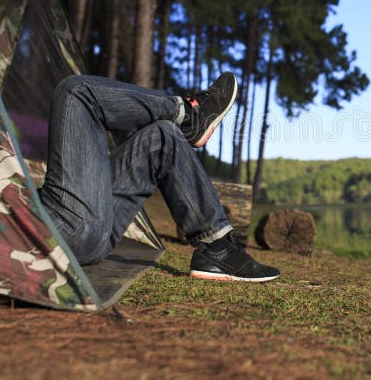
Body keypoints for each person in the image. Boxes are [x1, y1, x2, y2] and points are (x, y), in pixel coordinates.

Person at [38, 72, 280, 282]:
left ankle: (219, 248)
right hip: (55, 229)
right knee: (75, 92)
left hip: (88, 233)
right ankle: (188, 115)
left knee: (162, 136)